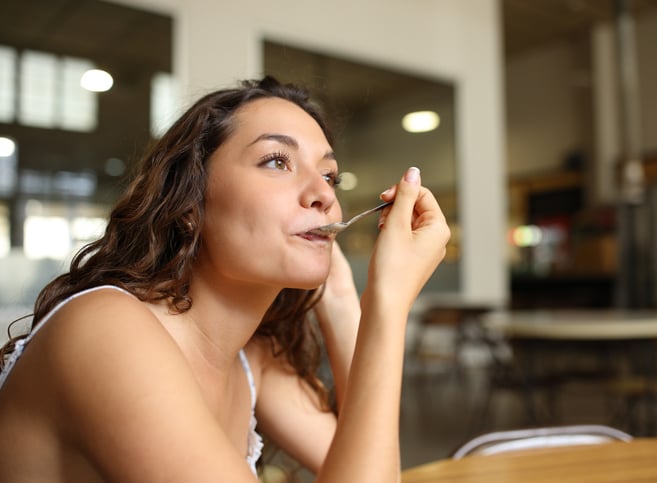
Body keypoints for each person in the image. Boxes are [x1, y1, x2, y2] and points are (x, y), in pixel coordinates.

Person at [0, 76, 449, 482]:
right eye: (277, 161)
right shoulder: (107, 331)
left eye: (329, 174)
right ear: (191, 204)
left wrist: (346, 303)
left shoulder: (252, 359)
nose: (324, 195)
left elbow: (374, 471)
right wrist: (388, 307)